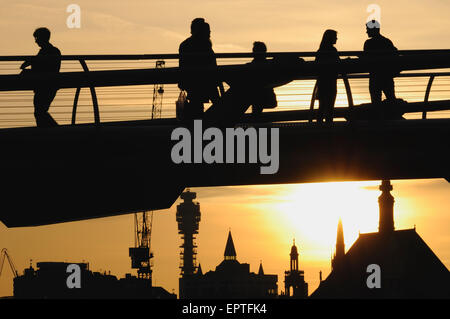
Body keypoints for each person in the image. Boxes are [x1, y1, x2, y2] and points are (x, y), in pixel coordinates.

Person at [178, 18, 224, 120]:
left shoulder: (185, 45)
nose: (210, 34)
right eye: (208, 31)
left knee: (196, 108)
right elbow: (212, 63)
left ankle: (199, 129)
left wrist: (182, 81)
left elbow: (182, 65)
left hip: (193, 82)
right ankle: (220, 125)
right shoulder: (206, 45)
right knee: (219, 105)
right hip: (208, 81)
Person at [20, 27, 61, 127]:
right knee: (40, 111)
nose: (36, 41)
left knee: (39, 112)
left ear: (43, 38)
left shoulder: (49, 52)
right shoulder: (51, 51)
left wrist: (29, 67)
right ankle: (51, 132)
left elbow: (45, 69)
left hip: (46, 85)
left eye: (37, 38)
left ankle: (54, 132)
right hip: (47, 85)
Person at [363, 20, 398, 105]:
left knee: (375, 102)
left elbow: (366, 59)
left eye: (368, 29)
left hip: (375, 76)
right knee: (391, 99)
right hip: (387, 76)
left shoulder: (369, 43)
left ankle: (378, 117)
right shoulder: (387, 42)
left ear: (373, 29)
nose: (366, 31)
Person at [315, 29, 340, 123]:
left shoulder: (320, 50)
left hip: (322, 82)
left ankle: (319, 127)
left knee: (321, 107)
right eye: (335, 36)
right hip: (331, 82)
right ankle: (328, 127)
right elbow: (337, 64)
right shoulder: (333, 51)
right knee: (330, 107)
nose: (337, 38)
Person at [248, 41, 277, 115]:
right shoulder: (270, 65)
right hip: (267, 98)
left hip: (259, 97)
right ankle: (256, 119)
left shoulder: (251, 66)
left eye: (254, 51)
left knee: (255, 94)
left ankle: (255, 119)